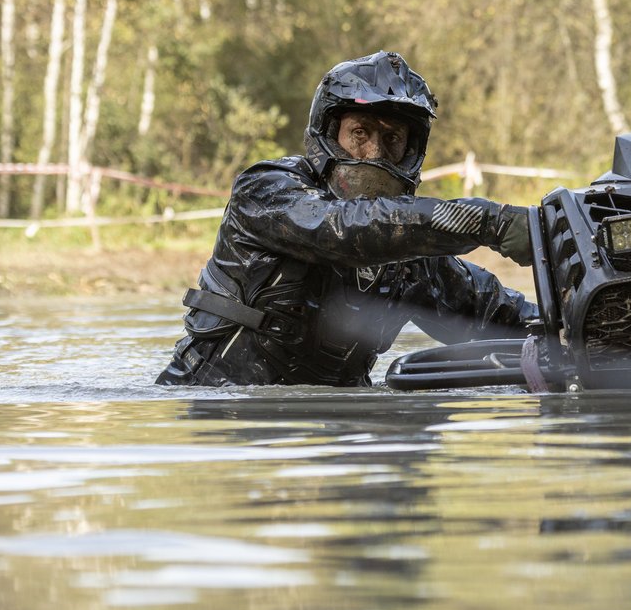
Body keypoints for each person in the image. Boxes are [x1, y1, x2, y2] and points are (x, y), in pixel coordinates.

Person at [157, 51, 537, 387]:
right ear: (329, 134)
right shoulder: (266, 190)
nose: (375, 154)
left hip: (334, 430)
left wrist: (565, 325)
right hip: (223, 416)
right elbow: (344, 228)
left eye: (393, 139)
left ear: (410, 150)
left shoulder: (412, 255)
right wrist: (487, 222)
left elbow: (498, 315)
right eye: (360, 133)